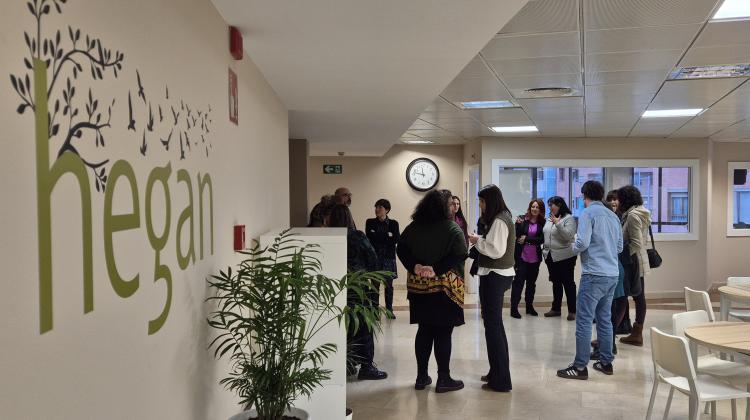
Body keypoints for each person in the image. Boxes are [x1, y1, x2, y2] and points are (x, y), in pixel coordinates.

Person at [397, 189, 468, 393]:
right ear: (442, 207)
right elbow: (460, 253)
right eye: (450, 204)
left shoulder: (414, 226)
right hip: (445, 290)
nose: (453, 207)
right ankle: (444, 379)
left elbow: (400, 248)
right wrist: (436, 269)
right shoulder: (452, 228)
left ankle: (421, 377)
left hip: (419, 289)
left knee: (424, 330)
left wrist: (415, 266)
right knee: (443, 333)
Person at [556, 180, 622, 380]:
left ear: (585, 195)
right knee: (604, 319)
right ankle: (605, 362)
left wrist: (574, 247)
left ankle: (580, 367)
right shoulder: (613, 215)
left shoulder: (588, 213)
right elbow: (619, 247)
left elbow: (582, 242)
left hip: (594, 274)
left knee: (584, 320)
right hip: (612, 274)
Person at [328, 204, 388, 380]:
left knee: (342, 327)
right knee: (363, 326)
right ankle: (366, 367)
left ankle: (347, 363)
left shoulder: (328, 238)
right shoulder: (357, 236)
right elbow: (373, 260)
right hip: (358, 289)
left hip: (335, 289)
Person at [468, 185, 515, 392]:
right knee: (494, 327)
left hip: (495, 276)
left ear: (491, 201)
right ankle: (496, 371)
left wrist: (477, 241)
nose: (480, 205)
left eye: (482, 201)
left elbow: (496, 250)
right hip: (494, 275)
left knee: (494, 328)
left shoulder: (499, 220)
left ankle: (501, 380)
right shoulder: (501, 217)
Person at [591, 190, 626, 359]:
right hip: (614, 269)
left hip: (609, 270)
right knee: (608, 312)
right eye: (610, 200)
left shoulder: (610, 221)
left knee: (607, 314)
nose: (613, 203)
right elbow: (619, 247)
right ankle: (608, 345)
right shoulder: (614, 220)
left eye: (615, 199)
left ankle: (607, 347)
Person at [617, 185, 652, 347]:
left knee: (622, 297)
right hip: (637, 260)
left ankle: (611, 334)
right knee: (638, 297)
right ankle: (636, 333)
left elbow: (636, 243)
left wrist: (622, 254)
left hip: (632, 263)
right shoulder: (640, 212)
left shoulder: (632, 216)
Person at [542, 196, 578, 320]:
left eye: (552, 205)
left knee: (568, 284)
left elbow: (568, 236)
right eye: (549, 205)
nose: (550, 207)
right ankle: (556, 309)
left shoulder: (569, 219)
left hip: (565, 257)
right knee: (556, 283)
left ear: (560, 205)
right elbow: (546, 234)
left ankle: (573, 311)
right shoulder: (549, 219)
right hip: (550, 256)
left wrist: (558, 224)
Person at [510, 199, 545, 319]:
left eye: (537, 207)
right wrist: (517, 225)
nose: (534, 209)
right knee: (518, 283)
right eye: (533, 207)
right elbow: (517, 235)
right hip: (521, 257)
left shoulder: (543, 223)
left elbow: (542, 239)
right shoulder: (522, 219)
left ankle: (529, 307)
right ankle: (514, 308)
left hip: (535, 258)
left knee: (531, 284)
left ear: (540, 210)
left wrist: (527, 239)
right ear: (530, 208)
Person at [365, 199, 400, 318]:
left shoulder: (394, 223)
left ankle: (389, 310)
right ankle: (374, 312)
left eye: (380, 208)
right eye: (376, 207)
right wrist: (387, 236)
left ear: (387, 210)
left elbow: (396, 240)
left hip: (388, 259)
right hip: (375, 258)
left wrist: (378, 235)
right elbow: (370, 238)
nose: (377, 210)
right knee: (374, 286)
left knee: (388, 286)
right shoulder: (370, 222)